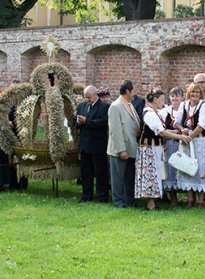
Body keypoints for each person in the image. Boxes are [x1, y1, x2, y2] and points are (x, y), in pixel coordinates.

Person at [136, 89, 191, 210]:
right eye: (161, 100)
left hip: (155, 147)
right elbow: (161, 132)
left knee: (155, 174)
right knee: (151, 174)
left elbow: (162, 129)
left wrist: (176, 131)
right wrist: (180, 136)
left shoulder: (155, 112)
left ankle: (153, 202)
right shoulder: (149, 113)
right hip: (149, 149)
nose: (163, 102)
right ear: (155, 100)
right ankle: (150, 204)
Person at [175, 82, 205, 208]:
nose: (194, 94)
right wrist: (182, 130)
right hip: (186, 140)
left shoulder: (204, 105)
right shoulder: (183, 105)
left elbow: (201, 125)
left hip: (199, 140)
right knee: (186, 166)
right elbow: (176, 122)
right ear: (188, 94)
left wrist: (190, 137)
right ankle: (190, 199)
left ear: (200, 94)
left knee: (200, 167)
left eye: (197, 92)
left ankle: (200, 200)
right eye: (192, 92)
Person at [107, 80, 140, 208]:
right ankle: (118, 201)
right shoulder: (115, 106)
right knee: (118, 178)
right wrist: (121, 149)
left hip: (131, 147)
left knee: (128, 177)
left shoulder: (129, 105)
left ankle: (129, 200)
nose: (135, 93)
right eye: (134, 90)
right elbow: (115, 130)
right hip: (121, 149)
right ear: (127, 91)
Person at [76, 85, 110, 203]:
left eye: (89, 97)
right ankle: (86, 195)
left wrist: (87, 121)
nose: (87, 100)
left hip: (98, 145)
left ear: (96, 95)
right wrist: (78, 122)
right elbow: (76, 123)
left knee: (100, 172)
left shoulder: (105, 107)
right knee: (86, 173)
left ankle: (102, 196)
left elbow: (103, 123)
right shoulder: (81, 106)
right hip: (85, 145)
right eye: (85, 97)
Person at [162, 87, 185, 206]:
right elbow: (161, 129)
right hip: (170, 144)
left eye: (177, 95)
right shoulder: (165, 111)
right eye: (172, 96)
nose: (175, 98)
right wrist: (172, 133)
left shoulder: (186, 110)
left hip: (182, 144)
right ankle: (173, 198)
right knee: (170, 170)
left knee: (182, 169)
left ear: (182, 97)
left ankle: (189, 197)